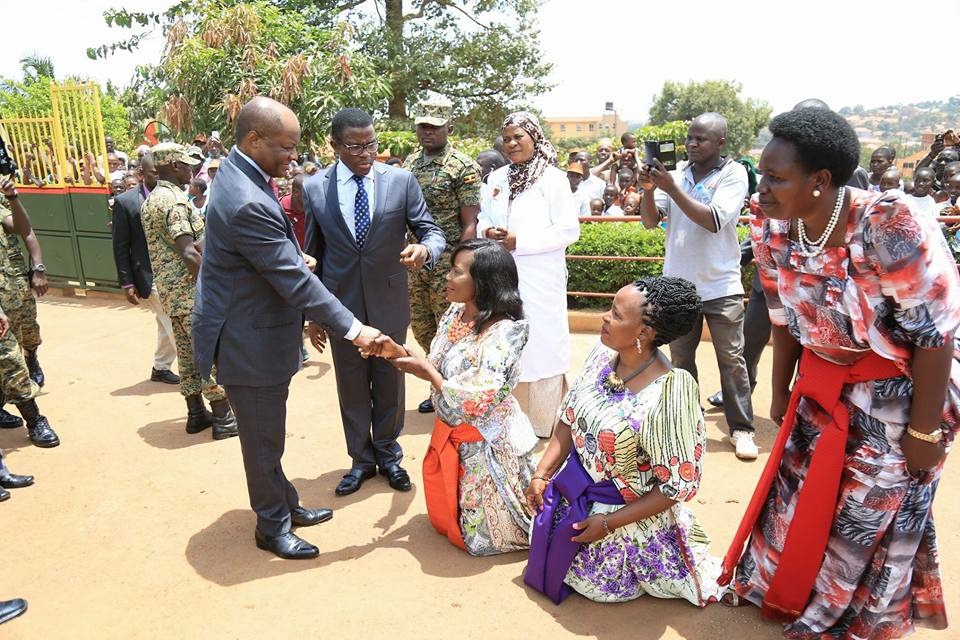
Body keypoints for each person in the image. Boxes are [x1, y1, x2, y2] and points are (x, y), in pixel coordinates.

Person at [721, 107, 959, 637]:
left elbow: (934, 334)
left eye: (778, 177)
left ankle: (847, 619)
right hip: (822, 382)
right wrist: (781, 392)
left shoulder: (888, 222)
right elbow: (782, 317)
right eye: (763, 175)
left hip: (903, 391)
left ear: (820, 182)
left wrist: (923, 431)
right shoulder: (772, 223)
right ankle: (779, 592)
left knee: (866, 511)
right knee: (797, 494)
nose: (764, 188)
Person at [194, 97, 385, 560]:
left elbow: (262, 257)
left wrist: (287, 256)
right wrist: (356, 330)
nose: (292, 157)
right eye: (285, 147)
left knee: (268, 434)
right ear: (253, 139)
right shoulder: (245, 198)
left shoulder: (243, 176)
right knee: (262, 441)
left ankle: (286, 503)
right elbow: (294, 283)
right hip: (247, 342)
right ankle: (271, 527)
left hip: (253, 329)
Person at [524, 277, 726, 606]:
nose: (604, 317)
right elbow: (569, 416)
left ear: (643, 333)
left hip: (622, 514)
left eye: (616, 314)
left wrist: (607, 523)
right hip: (573, 493)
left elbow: (676, 487)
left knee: (599, 586)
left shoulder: (668, 393)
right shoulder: (602, 357)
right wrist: (543, 473)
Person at [302, 107, 446, 496]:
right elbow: (311, 254)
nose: (366, 154)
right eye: (355, 147)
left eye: (371, 145)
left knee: (389, 380)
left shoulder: (401, 181)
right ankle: (360, 460)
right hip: (339, 305)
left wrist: (424, 250)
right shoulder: (314, 188)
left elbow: (431, 230)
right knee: (350, 383)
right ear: (334, 146)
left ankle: (388, 454)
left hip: (388, 299)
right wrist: (313, 315)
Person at [376, 239, 537, 555]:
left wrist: (427, 374)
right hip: (453, 435)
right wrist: (397, 351)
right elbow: (437, 363)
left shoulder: (507, 330)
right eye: (450, 269)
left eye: (457, 272)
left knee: (482, 537)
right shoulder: (455, 314)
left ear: (484, 282)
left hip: (486, 443)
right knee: (452, 522)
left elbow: (480, 398)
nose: (447, 278)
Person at [639, 112, 756, 460]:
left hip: (721, 284)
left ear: (720, 142)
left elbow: (715, 221)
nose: (691, 143)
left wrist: (670, 188)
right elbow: (649, 222)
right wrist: (648, 191)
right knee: (681, 359)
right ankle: (690, 422)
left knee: (732, 360)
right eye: (689, 137)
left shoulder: (734, 174)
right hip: (678, 285)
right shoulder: (676, 174)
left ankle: (742, 428)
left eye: (700, 139)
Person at [478, 111, 580, 438]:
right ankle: (508, 421)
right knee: (506, 341)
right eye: (506, 138)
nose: (511, 143)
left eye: (518, 136)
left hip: (541, 277)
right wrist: (487, 230)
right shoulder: (497, 179)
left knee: (542, 344)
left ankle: (542, 422)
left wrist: (520, 242)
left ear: (534, 137)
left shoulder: (553, 179)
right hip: (501, 276)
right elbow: (482, 218)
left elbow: (568, 230)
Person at [141, 143, 238, 440]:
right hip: (190, 291)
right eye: (185, 165)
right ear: (173, 167)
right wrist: (211, 287)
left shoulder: (152, 200)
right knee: (208, 351)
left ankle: (196, 413)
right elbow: (190, 253)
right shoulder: (176, 203)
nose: (191, 169)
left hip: (172, 293)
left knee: (186, 353)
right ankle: (222, 416)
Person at [402, 99, 482, 415]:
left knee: (451, 329)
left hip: (448, 262)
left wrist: (461, 267)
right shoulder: (409, 166)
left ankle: (451, 390)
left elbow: (470, 221)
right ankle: (438, 382)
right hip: (416, 263)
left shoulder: (463, 167)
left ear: (449, 127)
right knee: (422, 328)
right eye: (423, 126)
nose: (427, 132)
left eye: (434, 127)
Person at [0, 177, 60, 448]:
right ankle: (35, 420)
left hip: (14, 291)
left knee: (27, 341)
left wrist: (12, 197)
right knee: (10, 359)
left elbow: (22, 228)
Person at [110, 155, 179, 386]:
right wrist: (127, 283)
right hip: (149, 277)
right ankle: (197, 377)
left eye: (160, 172)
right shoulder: (126, 202)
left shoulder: (172, 196)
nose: (158, 178)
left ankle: (160, 367)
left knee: (165, 320)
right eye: (153, 174)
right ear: (141, 173)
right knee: (176, 324)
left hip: (174, 273)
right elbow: (120, 247)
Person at [1, 216, 47, 389]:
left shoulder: (3, 198)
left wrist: (38, 268)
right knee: (7, 336)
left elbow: (26, 230)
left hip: (15, 274)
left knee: (29, 328)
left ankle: (31, 357)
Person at [279, 173, 307, 247]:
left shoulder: (315, 208)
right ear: (296, 192)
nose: (313, 195)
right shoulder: (279, 208)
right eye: (308, 192)